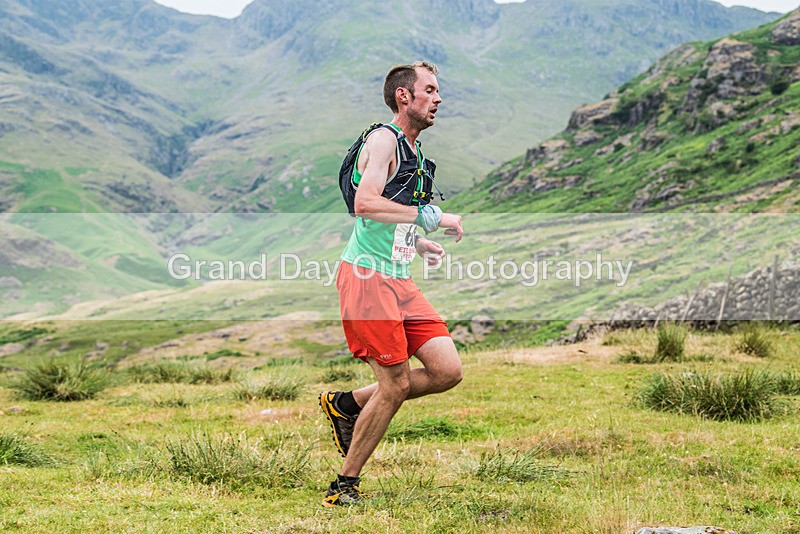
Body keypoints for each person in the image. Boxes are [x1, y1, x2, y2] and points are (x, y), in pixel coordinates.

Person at [319, 61, 464, 507]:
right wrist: (432, 217)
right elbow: (365, 204)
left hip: (399, 279)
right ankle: (343, 487)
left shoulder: (413, 150)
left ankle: (347, 404)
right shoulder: (384, 139)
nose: (438, 98)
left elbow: (388, 210)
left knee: (447, 371)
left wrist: (417, 242)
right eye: (430, 90)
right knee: (396, 385)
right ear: (405, 96)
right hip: (367, 279)